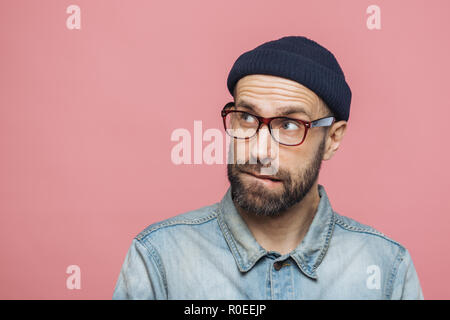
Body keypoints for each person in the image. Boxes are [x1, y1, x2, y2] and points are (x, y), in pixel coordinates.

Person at [112, 36, 424, 299]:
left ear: (332, 139)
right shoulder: (159, 259)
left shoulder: (386, 268)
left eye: (289, 124)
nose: (260, 151)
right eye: (246, 117)